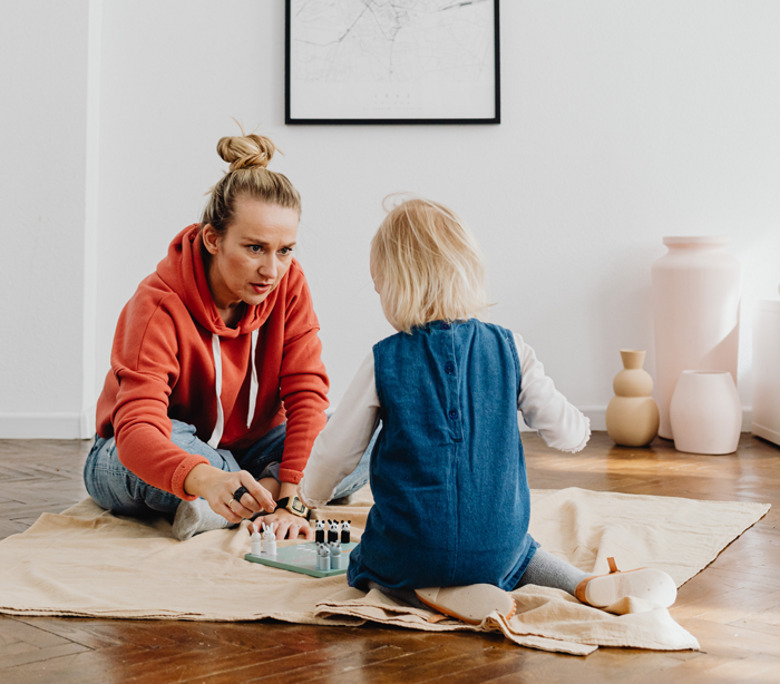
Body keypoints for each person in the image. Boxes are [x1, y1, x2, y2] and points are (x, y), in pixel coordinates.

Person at [299, 196, 676, 623]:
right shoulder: (511, 348)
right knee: (520, 551)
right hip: (496, 547)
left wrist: (309, 496)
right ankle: (581, 583)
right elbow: (567, 435)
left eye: (378, 285)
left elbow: (336, 450)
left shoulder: (383, 358)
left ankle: (430, 589)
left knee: (368, 559)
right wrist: (580, 426)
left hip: (411, 548)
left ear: (398, 284)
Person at [84, 131, 368, 541]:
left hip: (255, 445)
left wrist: (292, 501)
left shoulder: (288, 283)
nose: (272, 270)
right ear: (213, 239)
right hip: (157, 447)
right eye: (254, 248)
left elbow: (306, 396)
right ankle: (232, 492)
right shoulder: (157, 304)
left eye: (285, 250)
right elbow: (138, 430)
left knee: (367, 432)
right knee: (149, 452)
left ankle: (237, 499)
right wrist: (207, 478)